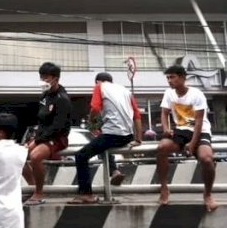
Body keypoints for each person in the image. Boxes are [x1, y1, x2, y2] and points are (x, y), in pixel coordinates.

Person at [70, 72, 142, 204]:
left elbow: (95, 108)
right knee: (101, 144)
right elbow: (137, 115)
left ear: (98, 81)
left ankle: (86, 194)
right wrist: (138, 139)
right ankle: (114, 171)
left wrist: (91, 122)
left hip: (112, 134)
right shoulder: (125, 90)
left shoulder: (99, 87)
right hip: (127, 136)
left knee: (81, 156)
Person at [156, 65, 218, 212]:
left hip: (200, 131)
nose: (169, 81)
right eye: (168, 78)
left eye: (172, 77)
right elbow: (164, 113)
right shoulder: (169, 93)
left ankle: (208, 195)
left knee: (207, 158)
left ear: (183, 77)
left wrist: (192, 144)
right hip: (181, 131)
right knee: (161, 148)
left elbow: (198, 122)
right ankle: (164, 188)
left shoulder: (197, 94)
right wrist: (166, 130)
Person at [22, 62, 71, 206]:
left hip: (58, 138)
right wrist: (35, 138)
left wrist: (38, 141)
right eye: (41, 77)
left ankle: (39, 193)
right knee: (20, 157)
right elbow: (41, 121)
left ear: (55, 79)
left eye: (46, 78)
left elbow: (58, 126)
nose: (43, 81)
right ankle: (33, 187)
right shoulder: (44, 96)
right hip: (42, 136)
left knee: (35, 157)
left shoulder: (62, 99)